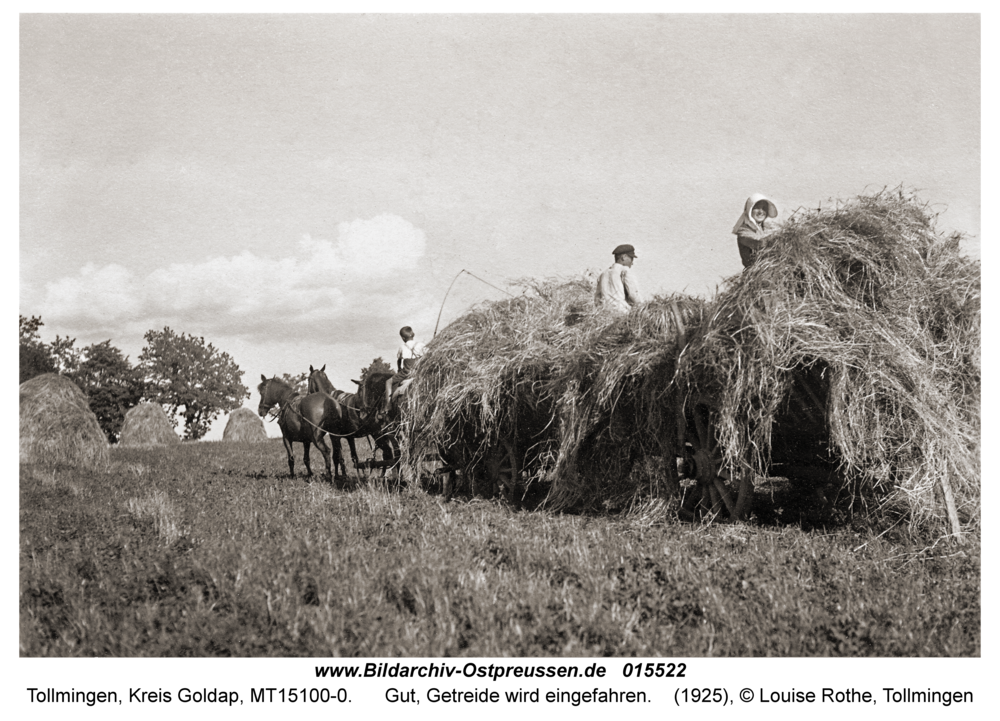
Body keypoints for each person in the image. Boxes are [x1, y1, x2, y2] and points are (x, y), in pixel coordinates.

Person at [384, 326, 426, 413]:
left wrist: (399, 369)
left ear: (403, 338)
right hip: (418, 372)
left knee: (388, 382)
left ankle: (388, 405)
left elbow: (399, 360)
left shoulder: (402, 347)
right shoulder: (421, 345)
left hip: (406, 373)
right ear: (413, 334)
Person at [732, 194, 778, 269]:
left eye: (764, 208)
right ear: (750, 210)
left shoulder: (766, 228)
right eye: (757, 208)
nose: (761, 212)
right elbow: (760, 243)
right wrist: (781, 234)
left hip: (770, 269)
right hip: (755, 273)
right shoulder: (743, 231)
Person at [595, 244, 642, 312]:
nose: (632, 263)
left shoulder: (603, 273)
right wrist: (643, 307)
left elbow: (597, 297)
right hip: (622, 312)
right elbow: (633, 294)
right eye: (631, 259)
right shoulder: (625, 270)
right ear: (624, 257)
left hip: (605, 313)